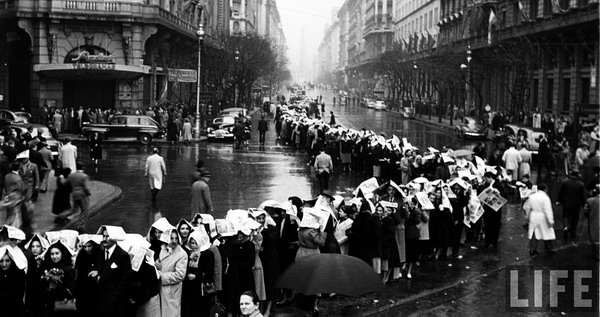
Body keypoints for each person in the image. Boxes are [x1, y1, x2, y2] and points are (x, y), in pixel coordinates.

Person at [93, 225, 132, 317]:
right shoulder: (102, 253)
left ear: (114, 238)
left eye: (107, 236)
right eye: (104, 236)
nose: (105, 239)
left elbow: (126, 278)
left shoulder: (122, 255)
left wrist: (115, 295)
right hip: (103, 300)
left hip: (116, 302)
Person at [182, 228, 214, 317]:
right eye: (192, 243)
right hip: (189, 288)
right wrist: (190, 259)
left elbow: (209, 272)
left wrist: (196, 277)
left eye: (196, 243)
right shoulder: (187, 253)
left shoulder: (208, 254)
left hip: (201, 288)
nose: (194, 246)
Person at [157, 228, 188, 317]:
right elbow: (164, 264)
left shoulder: (182, 254)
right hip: (161, 289)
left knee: (171, 313)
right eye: (171, 238)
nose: (174, 241)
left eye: (176, 238)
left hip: (172, 291)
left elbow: (180, 275)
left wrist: (161, 276)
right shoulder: (163, 248)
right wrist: (157, 265)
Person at [39, 241, 76, 316]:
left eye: (57, 253)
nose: (54, 256)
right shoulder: (47, 267)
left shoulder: (67, 269)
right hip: (48, 303)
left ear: (62, 254)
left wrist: (56, 284)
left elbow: (71, 291)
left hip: (63, 304)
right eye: (52, 254)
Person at [523, 183, 555, 255]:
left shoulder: (532, 197)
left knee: (534, 232)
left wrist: (528, 217)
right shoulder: (545, 198)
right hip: (542, 216)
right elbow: (548, 210)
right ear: (545, 189)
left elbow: (528, 207)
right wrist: (550, 220)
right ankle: (550, 249)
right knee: (547, 232)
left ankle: (532, 249)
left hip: (533, 215)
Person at [556, 170, 587, 243]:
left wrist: (559, 201)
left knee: (566, 216)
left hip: (566, 204)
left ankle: (566, 227)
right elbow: (583, 197)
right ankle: (573, 231)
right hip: (576, 205)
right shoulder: (581, 185)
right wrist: (584, 205)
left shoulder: (564, 183)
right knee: (575, 218)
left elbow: (561, 192)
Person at [74, 235, 101, 317]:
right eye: (85, 247)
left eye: (89, 246)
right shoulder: (81, 256)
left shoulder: (99, 256)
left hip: (94, 290)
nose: (87, 249)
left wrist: (98, 272)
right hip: (82, 290)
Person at [479, 171, 505, 248]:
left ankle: (493, 242)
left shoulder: (498, 185)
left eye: (486, 178)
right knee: (487, 226)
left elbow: (503, 197)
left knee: (494, 226)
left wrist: (497, 194)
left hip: (495, 210)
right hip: (487, 209)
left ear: (490, 178)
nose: (485, 180)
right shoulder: (485, 185)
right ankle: (487, 241)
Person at [0, 246, 27, 317]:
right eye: (1, 261)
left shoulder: (19, 273)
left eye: (7, 261)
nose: (4, 264)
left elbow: (17, 293)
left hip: (15, 310)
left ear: (12, 260)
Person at [583, 185, 599, 260]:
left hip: (593, 222)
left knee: (594, 238)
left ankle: (596, 255)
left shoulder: (590, 201)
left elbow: (585, 212)